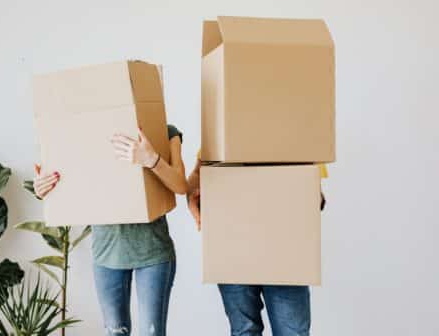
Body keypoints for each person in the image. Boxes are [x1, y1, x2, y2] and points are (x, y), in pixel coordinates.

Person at [33, 125, 187, 336]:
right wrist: (45, 188)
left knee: (152, 333)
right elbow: (68, 181)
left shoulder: (165, 130)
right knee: (115, 332)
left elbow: (181, 185)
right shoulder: (86, 130)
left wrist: (151, 159)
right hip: (107, 254)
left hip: (153, 253)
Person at [186, 151, 327, 336]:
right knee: (244, 331)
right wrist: (192, 197)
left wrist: (308, 198)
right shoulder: (220, 131)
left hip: (284, 255)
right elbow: (197, 177)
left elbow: (315, 194)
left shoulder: (296, 135)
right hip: (233, 250)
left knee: (292, 332)